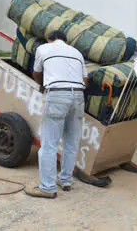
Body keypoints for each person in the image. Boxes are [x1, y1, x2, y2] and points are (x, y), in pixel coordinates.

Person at [25, 30, 89, 199]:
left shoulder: (44, 48)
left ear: (50, 39)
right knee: (71, 141)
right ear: (65, 41)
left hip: (57, 95)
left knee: (49, 144)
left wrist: (43, 85)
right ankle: (66, 180)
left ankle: (47, 188)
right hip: (78, 96)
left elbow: (37, 73)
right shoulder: (77, 53)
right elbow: (85, 80)